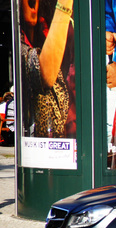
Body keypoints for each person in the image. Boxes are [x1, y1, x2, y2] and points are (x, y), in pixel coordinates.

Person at [20, 0, 74, 138]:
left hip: (62, 139)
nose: (33, 5)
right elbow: (42, 75)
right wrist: (64, 6)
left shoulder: (47, 33)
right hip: (33, 143)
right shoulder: (16, 41)